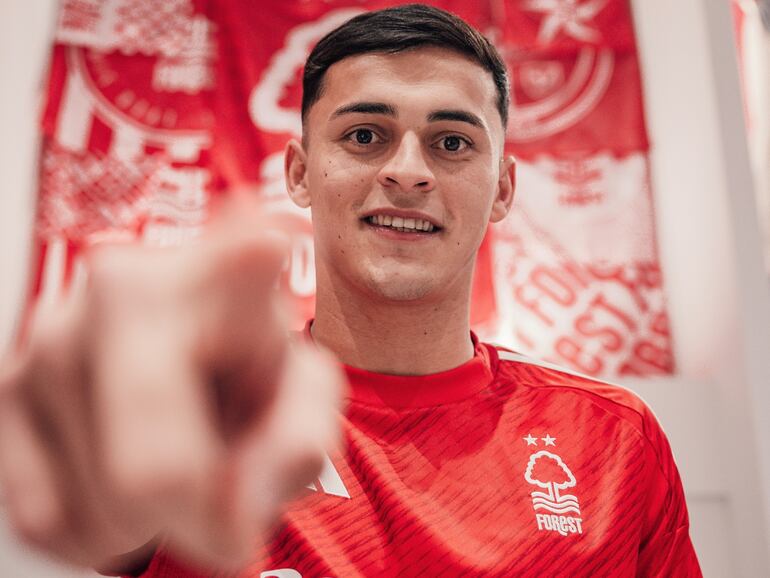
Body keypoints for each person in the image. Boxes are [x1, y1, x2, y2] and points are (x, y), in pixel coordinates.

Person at [0, 4, 701, 577]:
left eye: (452, 143)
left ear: (503, 190)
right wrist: (83, 420)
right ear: (300, 173)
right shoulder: (220, 411)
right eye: (366, 134)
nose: (407, 170)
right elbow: (110, 518)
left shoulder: (615, 441)